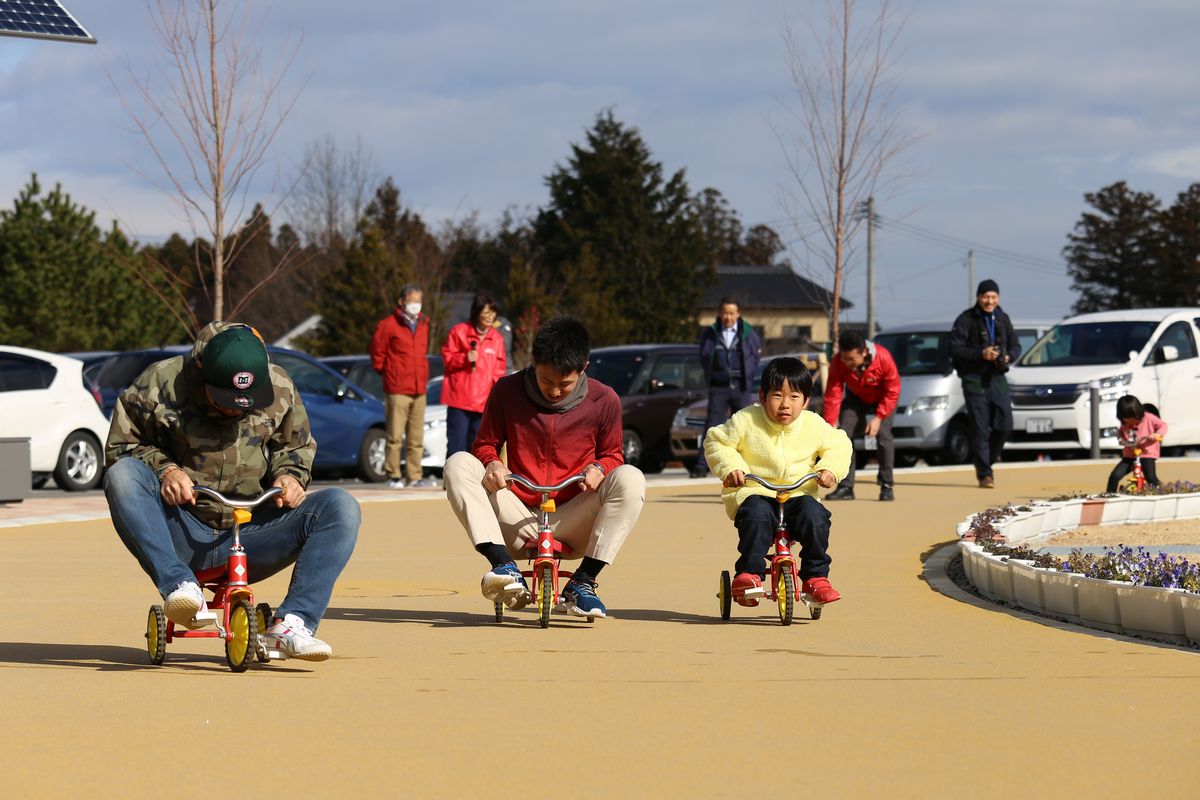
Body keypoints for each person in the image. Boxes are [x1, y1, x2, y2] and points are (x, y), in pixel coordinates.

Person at [103, 322, 360, 661]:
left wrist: (290, 476)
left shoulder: (280, 386)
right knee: (122, 476)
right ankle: (181, 588)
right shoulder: (160, 384)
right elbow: (122, 446)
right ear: (201, 373)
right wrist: (166, 469)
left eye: (246, 403)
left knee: (341, 507)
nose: (236, 410)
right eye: (226, 401)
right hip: (181, 526)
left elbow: (295, 448)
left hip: (253, 529)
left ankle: (293, 622)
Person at [443, 316, 645, 618]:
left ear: (584, 368)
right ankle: (503, 567)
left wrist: (600, 468)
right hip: (519, 514)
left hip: (571, 517)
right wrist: (493, 463)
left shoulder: (604, 400)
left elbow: (613, 454)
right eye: (546, 381)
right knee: (458, 464)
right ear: (533, 363)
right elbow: (484, 444)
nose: (554, 391)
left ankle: (584, 582)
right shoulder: (506, 391)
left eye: (564, 384)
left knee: (630, 478)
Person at [703, 357, 851, 606]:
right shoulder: (746, 420)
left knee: (816, 517)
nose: (785, 404)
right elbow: (716, 441)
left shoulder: (813, 424)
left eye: (794, 397)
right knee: (756, 515)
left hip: (798, 493)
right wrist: (732, 468)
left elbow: (840, 444)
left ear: (805, 401)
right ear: (762, 396)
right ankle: (749, 574)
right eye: (777, 395)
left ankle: (816, 576)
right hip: (756, 491)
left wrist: (829, 469)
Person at [949, 279, 1021, 489]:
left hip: (998, 378)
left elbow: (1015, 344)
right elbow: (955, 349)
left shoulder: (1002, 317)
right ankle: (985, 475)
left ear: (998, 298)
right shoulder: (965, 320)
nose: (990, 301)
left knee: (1005, 424)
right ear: (978, 297)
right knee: (980, 427)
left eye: (994, 297)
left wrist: (1008, 357)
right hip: (974, 379)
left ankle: (985, 460)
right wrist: (981, 354)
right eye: (986, 297)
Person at [371, 284, 437, 488]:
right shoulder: (388, 325)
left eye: (418, 300)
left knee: (417, 437)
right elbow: (377, 355)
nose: (415, 304)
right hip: (397, 388)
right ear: (401, 301)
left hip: (419, 388)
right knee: (395, 436)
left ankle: (415, 476)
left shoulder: (424, 324)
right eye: (412, 300)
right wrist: (391, 374)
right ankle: (393, 475)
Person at [822, 331, 902, 501]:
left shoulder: (883, 358)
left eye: (851, 359)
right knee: (844, 433)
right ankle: (845, 486)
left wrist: (879, 418)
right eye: (844, 359)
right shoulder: (838, 362)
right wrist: (829, 424)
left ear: (864, 352)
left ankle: (886, 485)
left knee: (883, 435)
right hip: (856, 398)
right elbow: (833, 393)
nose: (847, 363)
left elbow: (893, 390)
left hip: (883, 399)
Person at [693, 298, 762, 478]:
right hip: (719, 387)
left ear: (738, 314)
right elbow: (704, 355)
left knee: (745, 426)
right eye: (725, 313)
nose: (728, 317)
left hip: (741, 386)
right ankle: (702, 465)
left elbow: (755, 356)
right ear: (720, 313)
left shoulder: (748, 333)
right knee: (712, 426)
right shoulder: (711, 333)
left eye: (732, 313)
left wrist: (747, 373)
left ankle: (751, 465)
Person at [441, 291, 507, 456]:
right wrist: (463, 358)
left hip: (484, 403)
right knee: (456, 449)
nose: (490, 316)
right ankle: (451, 482)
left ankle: (474, 483)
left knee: (479, 450)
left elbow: (499, 371)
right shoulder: (459, 332)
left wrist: (498, 398)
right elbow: (446, 360)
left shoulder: (497, 339)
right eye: (486, 312)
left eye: (493, 312)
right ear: (476, 313)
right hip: (459, 401)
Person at [1106, 395, 1167, 493]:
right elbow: (1120, 432)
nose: (1130, 422)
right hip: (1130, 455)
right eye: (1126, 419)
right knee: (1115, 475)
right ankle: (1109, 495)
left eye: (1132, 418)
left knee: (1150, 477)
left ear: (1138, 413)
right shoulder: (1124, 424)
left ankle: (1159, 493)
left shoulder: (1149, 418)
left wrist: (1157, 434)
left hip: (1147, 453)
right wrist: (1121, 439)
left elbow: (1163, 426)